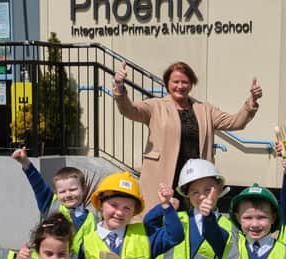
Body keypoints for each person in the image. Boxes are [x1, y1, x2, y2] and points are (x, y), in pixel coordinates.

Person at [112, 61, 263, 210]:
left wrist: (251, 103)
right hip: (163, 175)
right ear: (167, 84)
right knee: (160, 221)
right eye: (175, 82)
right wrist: (119, 87)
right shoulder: (155, 106)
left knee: (194, 222)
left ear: (191, 84)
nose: (180, 86)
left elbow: (234, 122)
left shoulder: (204, 109)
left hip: (195, 179)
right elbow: (129, 110)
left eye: (185, 82)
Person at [76, 171, 184, 259]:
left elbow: (175, 236)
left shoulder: (145, 235)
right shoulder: (87, 244)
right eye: (114, 205)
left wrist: (166, 206)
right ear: (101, 204)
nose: (119, 212)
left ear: (134, 211)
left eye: (127, 208)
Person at [146, 159, 233, 259]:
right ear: (187, 195)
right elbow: (148, 225)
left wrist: (207, 216)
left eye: (207, 190)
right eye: (195, 192)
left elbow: (215, 236)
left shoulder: (229, 228)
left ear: (220, 188)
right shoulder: (175, 219)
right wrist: (164, 207)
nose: (202, 196)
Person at [12, 147, 96, 259]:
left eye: (73, 189)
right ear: (56, 193)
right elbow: (38, 184)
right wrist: (25, 162)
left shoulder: (93, 219)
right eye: (62, 191)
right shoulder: (51, 205)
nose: (68, 194)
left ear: (84, 189)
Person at [210, 183, 286, 259]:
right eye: (248, 218)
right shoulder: (229, 244)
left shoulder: (285, 253)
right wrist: (207, 212)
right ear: (237, 218)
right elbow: (209, 230)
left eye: (261, 217)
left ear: (273, 218)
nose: (254, 224)